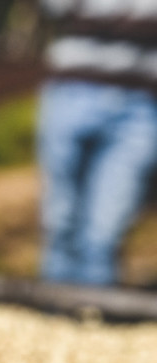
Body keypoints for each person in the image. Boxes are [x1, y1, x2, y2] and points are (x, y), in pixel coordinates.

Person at [38, 0, 157, 286]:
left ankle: (93, 319)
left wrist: (104, 20)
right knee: (60, 222)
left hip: (141, 101)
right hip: (72, 89)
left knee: (105, 231)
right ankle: (51, 316)